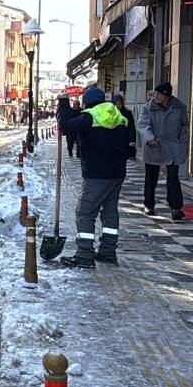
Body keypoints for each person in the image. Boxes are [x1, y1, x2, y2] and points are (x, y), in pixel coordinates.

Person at [56, 86, 130, 268]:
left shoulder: (90, 117)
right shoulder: (120, 117)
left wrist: (64, 103)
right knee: (110, 212)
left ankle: (84, 255)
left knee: (85, 213)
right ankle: (107, 251)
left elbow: (65, 125)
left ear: (86, 102)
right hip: (117, 173)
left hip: (97, 174)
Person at [137, 82, 189, 220]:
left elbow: (185, 125)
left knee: (173, 177)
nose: (156, 96)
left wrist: (182, 143)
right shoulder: (149, 107)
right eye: (155, 93)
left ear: (167, 95)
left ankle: (175, 207)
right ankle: (149, 205)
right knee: (151, 177)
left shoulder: (179, 107)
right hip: (154, 145)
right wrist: (149, 137)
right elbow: (142, 124)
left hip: (173, 147)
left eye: (160, 94)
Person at [112, 95, 137, 159]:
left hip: (125, 138)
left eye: (120, 104)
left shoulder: (127, 113)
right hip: (114, 140)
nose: (118, 106)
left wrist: (132, 139)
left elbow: (131, 127)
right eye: (116, 104)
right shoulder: (110, 113)